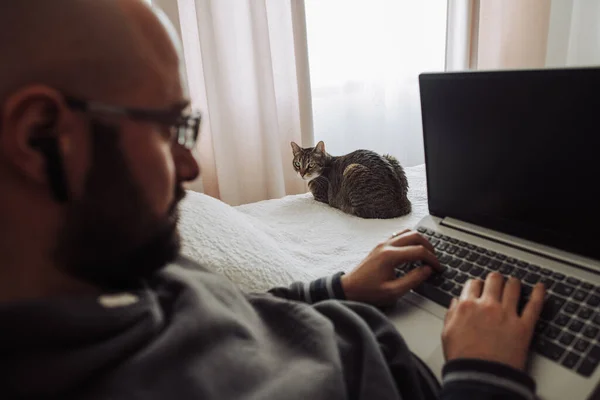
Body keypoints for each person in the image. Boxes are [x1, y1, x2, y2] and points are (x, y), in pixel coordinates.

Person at [0, 1, 546, 399]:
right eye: (170, 128)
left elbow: (227, 317)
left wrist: (340, 287)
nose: (189, 168)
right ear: (41, 135)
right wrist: (485, 375)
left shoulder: (112, 262)